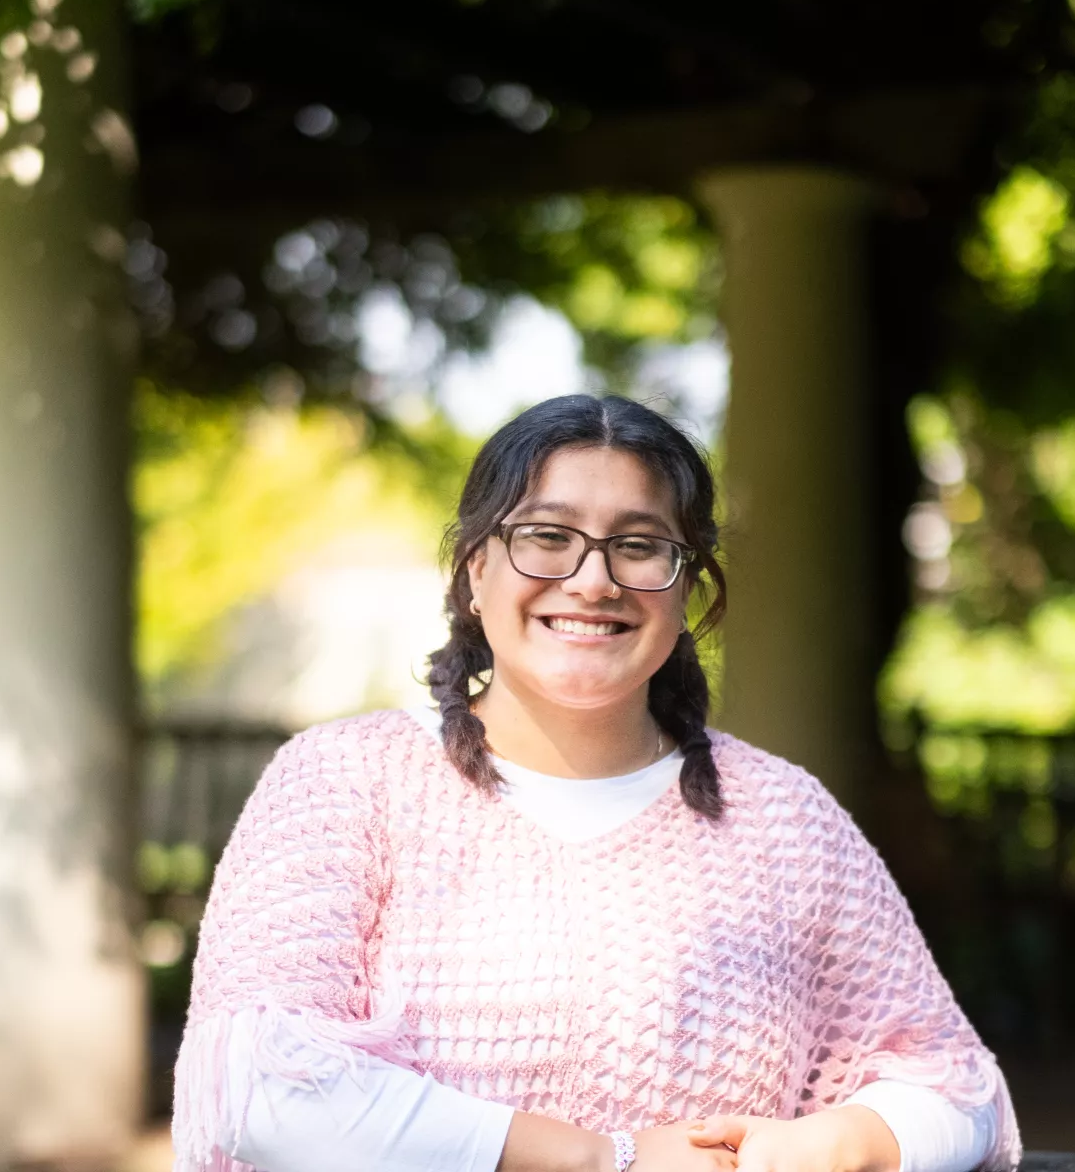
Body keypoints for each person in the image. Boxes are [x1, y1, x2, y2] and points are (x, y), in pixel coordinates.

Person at [171, 394, 1021, 1172]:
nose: (593, 579)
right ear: (475, 569)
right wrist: (598, 1157)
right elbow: (257, 1080)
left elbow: (958, 1090)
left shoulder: (785, 818)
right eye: (547, 535)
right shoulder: (347, 780)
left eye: (639, 544)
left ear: (687, 585)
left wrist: (841, 1143)